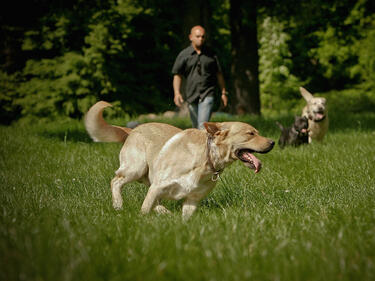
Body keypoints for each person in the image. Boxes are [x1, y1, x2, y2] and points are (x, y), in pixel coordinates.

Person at [172, 25, 228, 129]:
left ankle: (204, 144)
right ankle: (200, 144)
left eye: (203, 37)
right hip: (191, 94)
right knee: (195, 127)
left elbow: (219, 74)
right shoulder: (184, 55)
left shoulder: (212, 54)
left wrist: (223, 92)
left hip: (208, 93)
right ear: (191, 37)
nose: (200, 39)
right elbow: (177, 75)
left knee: (202, 125)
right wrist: (177, 93)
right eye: (197, 36)